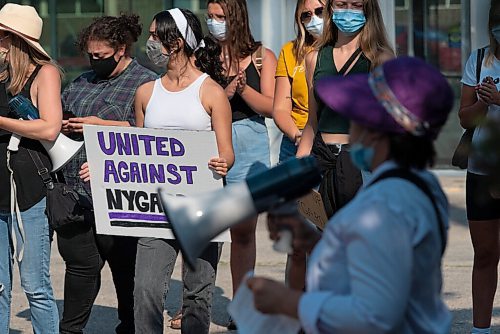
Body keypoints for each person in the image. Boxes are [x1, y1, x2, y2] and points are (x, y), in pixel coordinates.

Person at [247, 56, 454, 334]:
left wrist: (288, 302)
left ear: (377, 131)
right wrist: (312, 240)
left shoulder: (386, 203)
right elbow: (373, 265)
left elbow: (375, 316)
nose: (350, 126)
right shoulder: (417, 183)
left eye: (357, 116)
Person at [133, 8, 233, 334]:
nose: (149, 42)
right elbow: (135, 151)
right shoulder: (146, 93)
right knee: (146, 290)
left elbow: (226, 151)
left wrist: (223, 162)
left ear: (175, 42)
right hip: (155, 207)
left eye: (154, 35)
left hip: (203, 206)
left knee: (197, 296)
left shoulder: (211, 92)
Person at [58, 14, 157, 334]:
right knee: (80, 268)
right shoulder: (81, 81)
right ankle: (69, 330)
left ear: (121, 49)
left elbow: (152, 135)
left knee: (125, 268)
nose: (93, 61)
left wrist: (97, 126)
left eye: (100, 56)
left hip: (120, 191)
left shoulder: (146, 83)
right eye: (90, 55)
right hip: (76, 191)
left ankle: (130, 325)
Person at [205, 0, 277, 327]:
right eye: (210, 16)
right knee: (204, 226)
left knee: (243, 228)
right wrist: (223, 91)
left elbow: (272, 106)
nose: (214, 22)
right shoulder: (202, 55)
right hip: (207, 140)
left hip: (249, 138)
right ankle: (196, 302)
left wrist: (241, 89)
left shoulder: (262, 56)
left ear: (236, 17)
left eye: (220, 16)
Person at [296, 0, 394, 219]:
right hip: (321, 161)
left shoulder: (380, 59)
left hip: (363, 164)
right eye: (341, 4)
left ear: (368, 10)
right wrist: (299, 162)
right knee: (320, 246)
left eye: (356, 5)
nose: (347, 11)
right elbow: (312, 120)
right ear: (331, 8)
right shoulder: (314, 58)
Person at [0, 4, 60, 333]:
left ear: (15, 39)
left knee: (35, 285)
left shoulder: (44, 73)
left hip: (28, 191)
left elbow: (50, 128)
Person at [273, 0, 324, 291]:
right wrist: (298, 137)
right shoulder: (289, 52)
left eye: (319, 11)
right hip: (296, 148)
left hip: (334, 149)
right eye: (306, 14)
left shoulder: (344, 52)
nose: (313, 19)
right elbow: (281, 107)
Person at [458, 2, 500, 333]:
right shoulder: (479, 58)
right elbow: (464, 117)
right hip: (483, 171)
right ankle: (480, 329)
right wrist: (483, 103)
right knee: (485, 254)